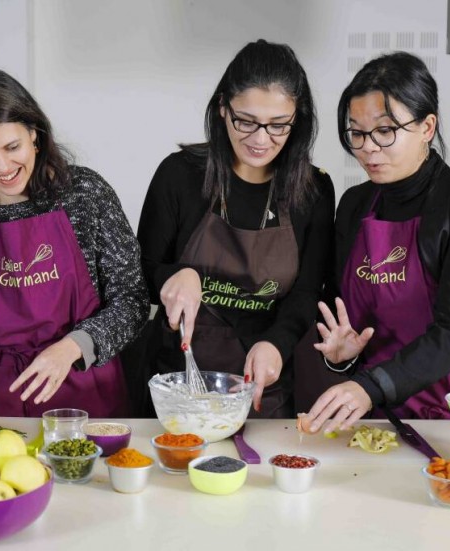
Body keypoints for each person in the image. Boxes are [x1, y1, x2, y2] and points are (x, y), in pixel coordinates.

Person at [0, 70, 149, 419]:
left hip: (87, 393)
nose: (2, 166)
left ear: (34, 133)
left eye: (12, 147)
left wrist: (71, 348)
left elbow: (132, 300)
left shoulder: (85, 195)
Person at [137, 39, 335, 417]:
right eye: (245, 121)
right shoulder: (179, 175)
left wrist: (278, 343)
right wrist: (175, 275)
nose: (261, 139)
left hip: (263, 380)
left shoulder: (313, 190)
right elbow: (138, 273)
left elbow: (308, 290)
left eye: (279, 126)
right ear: (223, 108)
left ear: (298, 119)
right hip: (180, 379)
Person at [302, 51, 450, 431]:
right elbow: (336, 306)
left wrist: (371, 385)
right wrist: (341, 358)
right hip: (368, 414)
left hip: (447, 415)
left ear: (427, 127)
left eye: (385, 131)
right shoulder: (354, 205)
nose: (368, 148)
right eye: (357, 133)